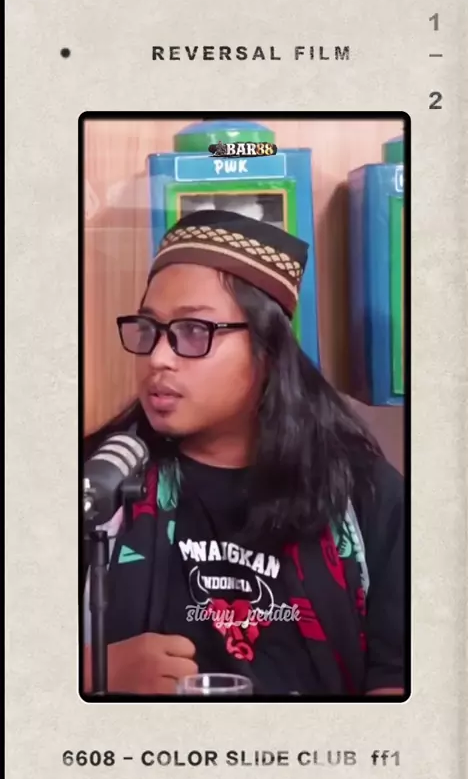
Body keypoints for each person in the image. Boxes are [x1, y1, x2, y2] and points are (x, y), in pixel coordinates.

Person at [82, 208, 405, 697]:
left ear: (267, 348)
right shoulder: (99, 483)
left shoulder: (363, 494)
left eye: (194, 330)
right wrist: (93, 673)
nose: (158, 358)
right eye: (148, 329)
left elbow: (402, 683)